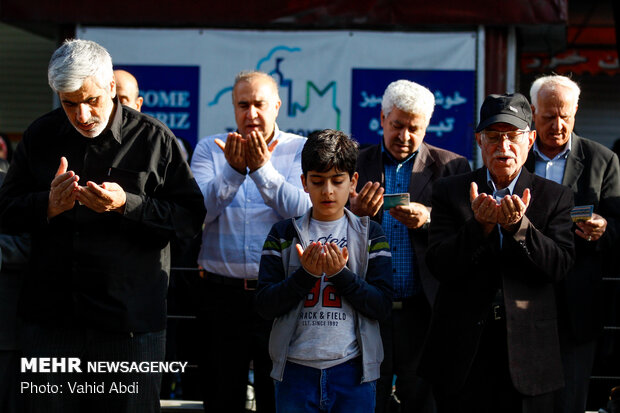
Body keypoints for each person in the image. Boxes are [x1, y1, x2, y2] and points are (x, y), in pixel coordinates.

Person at [0, 39, 206, 413]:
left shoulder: (155, 139)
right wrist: (46, 205)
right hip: (51, 322)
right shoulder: (40, 135)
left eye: (91, 100)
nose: (81, 114)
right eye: (69, 103)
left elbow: (190, 219)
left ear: (111, 86)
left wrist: (128, 204)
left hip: (129, 325)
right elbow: (5, 211)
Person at [418, 93, 575, 413]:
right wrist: (480, 227)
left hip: (528, 352)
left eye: (513, 136)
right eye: (493, 136)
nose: (503, 146)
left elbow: (560, 266)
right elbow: (439, 264)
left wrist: (519, 226)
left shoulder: (554, 196)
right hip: (461, 352)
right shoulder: (451, 190)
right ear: (479, 141)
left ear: (530, 139)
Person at [190, 70, 311, 412]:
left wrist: (260, 171)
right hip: (220, 295)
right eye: (243, 105)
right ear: (233, 108)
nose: (251, 113)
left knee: (278, 397)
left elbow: (304, 213)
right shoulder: (210, 150)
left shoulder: (300, 149)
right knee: (221, 395)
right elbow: (198, 212)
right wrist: (231, 170)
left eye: (259, 104)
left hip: (280, 295)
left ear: (277, 106)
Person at [350, 79, 470, 413]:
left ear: (427, 126)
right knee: (367, 398)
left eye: (414, 129)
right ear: (382, 118)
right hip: (367, 306)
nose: (404, 137)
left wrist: (429, 218)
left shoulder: (452, 167)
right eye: (397, 126)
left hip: (424, 308)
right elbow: (326, 224)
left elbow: (468, 231)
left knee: (421, 400)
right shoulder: (355, 164)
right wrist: (356, 215)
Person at [255, 129, 394, 413]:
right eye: (317, 182)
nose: (328, 191)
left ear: (353, 182)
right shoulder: (282, 234)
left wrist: (340, 275)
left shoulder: (371, 234)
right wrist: (305, 274)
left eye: (337, 181)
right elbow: (264, 305)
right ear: (304, 183)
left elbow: (381, 305)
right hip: (294, 371)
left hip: (353, 372)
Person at [525, 75, 620, 413]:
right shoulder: (516, 158)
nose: (558, 125)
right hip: (523, 298)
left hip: (577, 304)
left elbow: (618, 228)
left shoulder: (602, 160)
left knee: (571, 401)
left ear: (576, 111)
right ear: (533, 113)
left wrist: (603, 228)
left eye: (565, 115)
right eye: (549, 116)